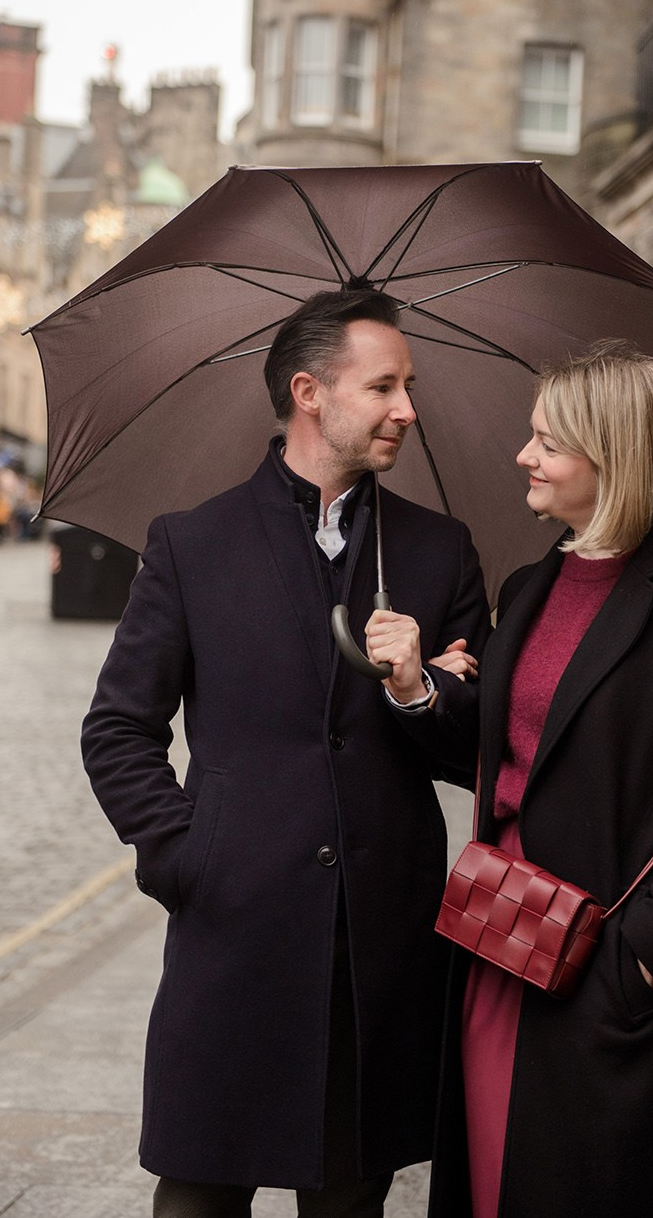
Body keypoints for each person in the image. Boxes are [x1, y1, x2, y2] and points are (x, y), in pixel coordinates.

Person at [81, 286, 490, 1218]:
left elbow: (475, 746)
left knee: (350, 1198)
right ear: (309, 391)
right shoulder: (192, 544)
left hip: (378, 941)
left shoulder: (438, 550)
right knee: (198, 1195)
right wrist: (185, 853)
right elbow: (116, 729)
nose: (407, 410)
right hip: (231, 930)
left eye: (409, 385)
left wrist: (415, 685)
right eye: (382, 386)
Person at [375, 342, 653, 1218]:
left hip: (606, 966)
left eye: (547, 443)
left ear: (615, 458)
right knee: (494, 1180)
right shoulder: (528, 587)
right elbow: (507, 761)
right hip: (501, 943)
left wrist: (641, 960)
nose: (524, 457)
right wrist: (423, 689)